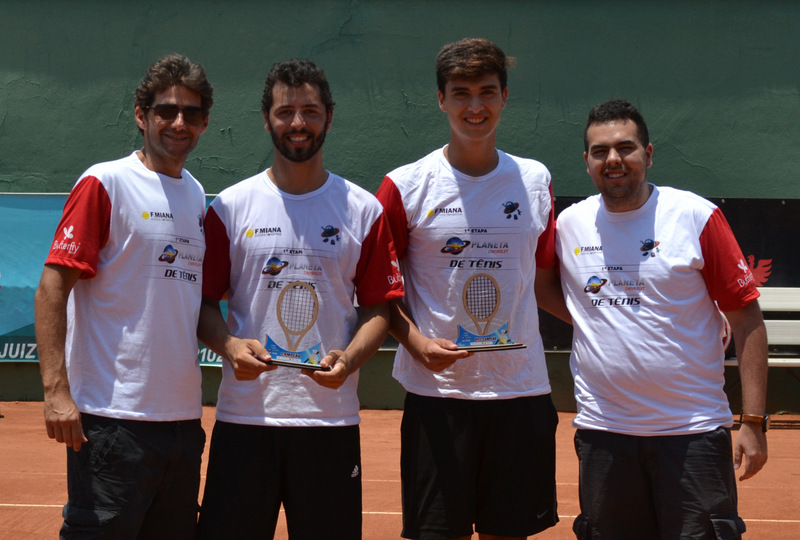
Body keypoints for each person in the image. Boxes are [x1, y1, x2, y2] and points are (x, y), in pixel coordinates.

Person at [196, 58, 403, 539]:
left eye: (310, 111)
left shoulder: (363, 209)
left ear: (329, 116)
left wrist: (348, 360)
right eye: (285, 111)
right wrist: (228, 346)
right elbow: (204, 304)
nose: (297, 123)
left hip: (328, 424)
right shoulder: (229, 207)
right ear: (267, 117)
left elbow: (379, 310)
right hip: (245, 420)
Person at [554, 98, 769, 539]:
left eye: (626, 147)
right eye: (600, 151)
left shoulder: (694, 216)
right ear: (587, 161)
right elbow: (541, 287)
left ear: (649, 154)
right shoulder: (567, 226)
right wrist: (593, 318)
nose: (613, 159)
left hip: (692, 434)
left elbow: (747, 321)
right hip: (603, 434)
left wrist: (753, 423)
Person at [376, 38, 560, 540]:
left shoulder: (535, 179)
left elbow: (544, 280)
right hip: (438, 396)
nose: (474, 107)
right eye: (460, 93)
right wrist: (414, 342)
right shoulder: (405, 185)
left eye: (487, 92)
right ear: (440, 99)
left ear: (505, 97)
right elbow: (379, 291)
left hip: (521, 391)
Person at [34, 53, 213, 538]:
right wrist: (56, 392)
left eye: (191, 114)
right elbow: (53, 286)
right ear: (141, 115)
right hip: (112, 424)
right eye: (166, 111)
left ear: (204, 123)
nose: (179, 122)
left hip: (182, 423)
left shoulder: (196, 194)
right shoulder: (104, 182)